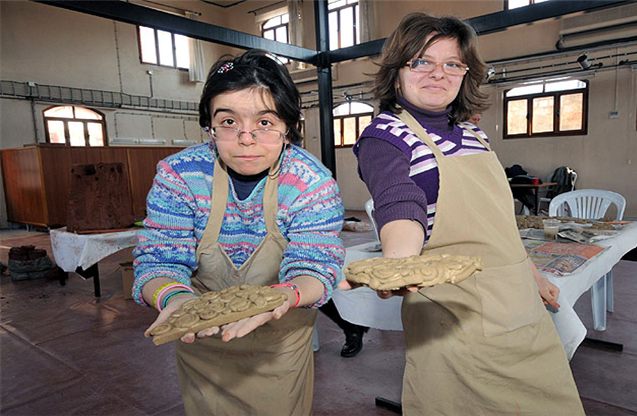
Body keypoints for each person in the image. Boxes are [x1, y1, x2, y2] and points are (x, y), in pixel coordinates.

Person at [340, 13, 585, 415]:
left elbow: (498, 222)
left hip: (520, 303)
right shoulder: (384, 137)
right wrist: (399, 264)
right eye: (422, 61)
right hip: (453, 316)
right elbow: (399, 202)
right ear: (397, 71)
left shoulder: (474, 135)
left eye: (452, 63)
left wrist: (533, 275)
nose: (438, 73)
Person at [133, 49, 345, 416]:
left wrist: (285, 295)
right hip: (201, 340)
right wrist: (177, 302)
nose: (246, 139)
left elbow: (316, 265)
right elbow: (158, 260)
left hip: (279, 343)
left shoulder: (310, 182)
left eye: (265, 122)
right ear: (209, 124)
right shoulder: (180, 175)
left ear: (288, 126)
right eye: (229, 122)